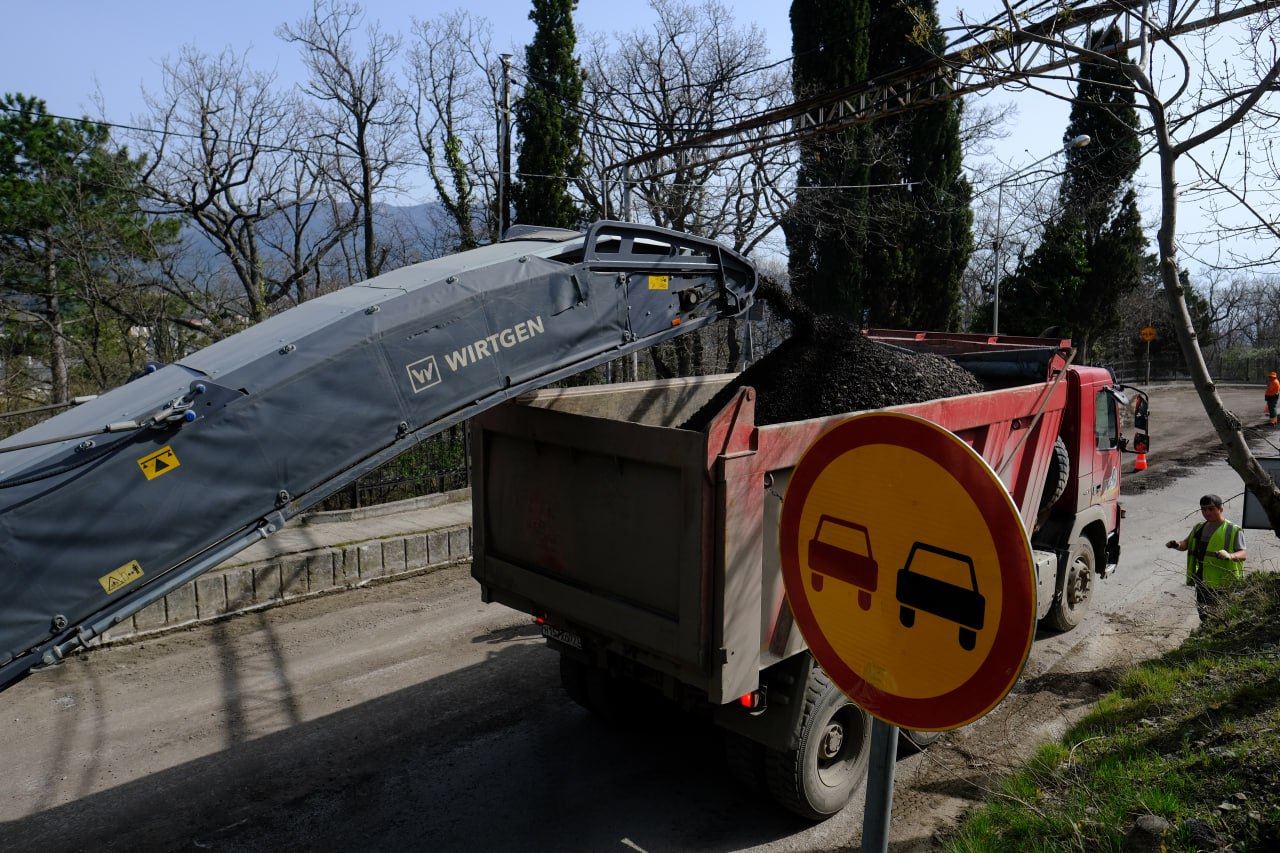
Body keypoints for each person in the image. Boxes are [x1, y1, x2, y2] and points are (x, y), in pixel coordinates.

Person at [1165, 494, 1246, 619]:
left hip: (1224, 583)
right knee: (1205, 616)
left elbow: (1243, 553)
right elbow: (1186, 544)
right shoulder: (1199, 527)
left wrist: (1229, 555)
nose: (1206, 512)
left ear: (1220, 509)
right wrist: (1176, 544)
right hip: (1203, 581)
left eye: (1210, 509)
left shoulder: (1233, 530)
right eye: (1203, 509)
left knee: (1224, 617)